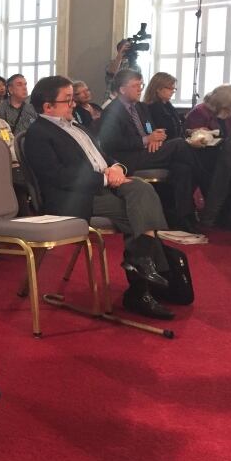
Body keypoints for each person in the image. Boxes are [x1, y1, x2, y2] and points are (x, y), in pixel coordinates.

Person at [23, 75, 174, 320]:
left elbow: (104, 156)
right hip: (74, 198)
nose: (74, 105)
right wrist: (104, 178)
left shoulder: (76, 127)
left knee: (143, 189)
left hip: (103, 186)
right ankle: (141, 287)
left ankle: (140, 262)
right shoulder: (38, 134)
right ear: (47, 107)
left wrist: (117, 169)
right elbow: (58, 176)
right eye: (68, 100)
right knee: (139, 210)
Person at [97, 69, 202, 232]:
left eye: (141, 85)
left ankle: (181, 218)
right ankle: (206, 183)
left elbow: (151, 129)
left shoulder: (140, 107)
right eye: (135, 86)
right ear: (122, 89)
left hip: (147, 152)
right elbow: (111, 143)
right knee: (181, 144)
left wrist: (158, 136)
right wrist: (146, 140)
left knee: (183, 168)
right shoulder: (111, 111)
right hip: (127, 159)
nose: (140, 89)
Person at [184, 84, 231, 226]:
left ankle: (227, 212)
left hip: (220, 153)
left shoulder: (227, 113)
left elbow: (228, 136)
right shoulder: (200, 112)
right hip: (202, 154)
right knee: (226, 170)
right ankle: (216, 214)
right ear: (222, 103)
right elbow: (191, 137)